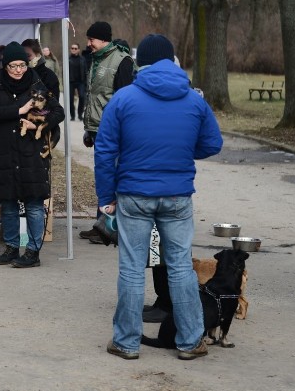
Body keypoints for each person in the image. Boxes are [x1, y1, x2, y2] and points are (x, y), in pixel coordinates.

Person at [95, 34, 223, 360]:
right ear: (173, 60)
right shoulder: (194, 100)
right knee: (180, 267)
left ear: (142, 62)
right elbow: (212, 144)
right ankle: (191, 341)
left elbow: (105, 150)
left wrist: (105, 195)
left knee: (132, 268)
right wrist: (181, 152)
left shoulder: (123, 98)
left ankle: (125, 343)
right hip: (178, 196)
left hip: (133, 195)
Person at [0, 41, 65, 268]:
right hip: (5, 150)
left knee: (33, 203)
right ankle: (11, 248)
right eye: (13, 66)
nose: (19, 70)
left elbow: (59, 112)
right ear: (5, 65)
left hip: (31, 152)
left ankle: (32, 251)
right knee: (8, 203)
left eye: (22, 65)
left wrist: (38, 126)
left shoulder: (37, 83)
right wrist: (18, 111)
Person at [79, 21, 134, 243]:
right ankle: (102, 223)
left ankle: (111, 227)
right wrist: (88, 129)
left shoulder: (122, 61)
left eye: (91, 39)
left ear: (103, 39)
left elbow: (125, 99)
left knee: (113, 178)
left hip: (113, 130)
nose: (88, 43)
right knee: (103, 178)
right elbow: (94, 97)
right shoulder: (96, 60)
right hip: (97, 129)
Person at [67, 42, 87, 121]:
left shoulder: (82, 59)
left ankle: (80, 114)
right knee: (70, 99)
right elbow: (64, 71)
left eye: (75, 48)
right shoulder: (67, 59)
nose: (73, 50)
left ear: (78, 50)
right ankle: (72, 115)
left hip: (80, 81)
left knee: (82, 97)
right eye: (72, 48)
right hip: (70, 81)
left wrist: (86, 82)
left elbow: (85, 71)